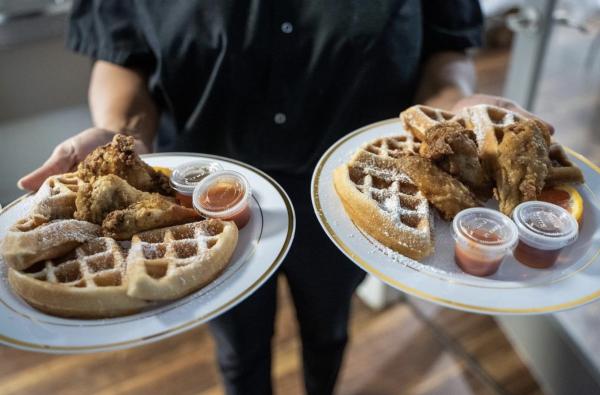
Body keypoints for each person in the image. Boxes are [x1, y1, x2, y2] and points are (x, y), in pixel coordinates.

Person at [17, 1, 543, 394]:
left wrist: (451, 107)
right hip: (202, 200)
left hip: (352, 198)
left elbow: (446, 45)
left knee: (329, 326)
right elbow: (120, 52)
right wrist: (118, 135)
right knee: (239, 347)